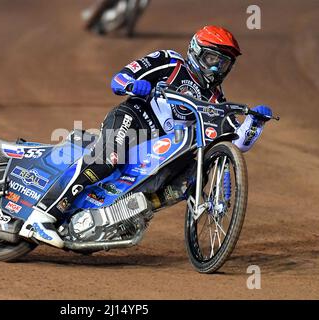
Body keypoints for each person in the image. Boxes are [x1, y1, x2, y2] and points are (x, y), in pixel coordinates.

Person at [19, 25, 273, 248]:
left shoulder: (217, 100)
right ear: (196, 51)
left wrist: (254, 123)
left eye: (224, 63)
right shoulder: (170, 62)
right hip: (135, 118)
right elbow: (118, 79)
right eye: (210, 58)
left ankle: (120, 217)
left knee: (188, 181)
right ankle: (42, 216)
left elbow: (237, 143)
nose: (216, 68)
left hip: (160, 149)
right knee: (108, 158)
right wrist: (133, 85)